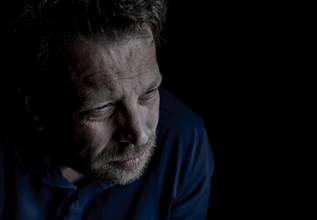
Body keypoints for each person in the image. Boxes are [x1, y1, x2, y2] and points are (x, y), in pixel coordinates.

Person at [0, 0, 214, 219]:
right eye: (102, 107)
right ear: (39, 109)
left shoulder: (184, 141)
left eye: (148, 94)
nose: (139, 135)